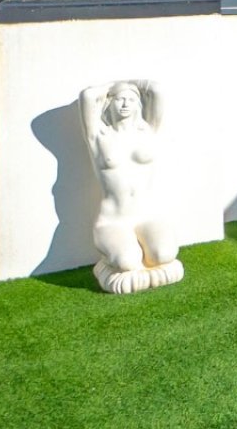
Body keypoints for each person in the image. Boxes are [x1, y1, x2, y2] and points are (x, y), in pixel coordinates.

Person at [78, 80, 184, 293]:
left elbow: (157, 90)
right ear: (110, 102)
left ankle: (139, 272)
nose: (125, 104)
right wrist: (111, 87)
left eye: (131, 100)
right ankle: (113, 267)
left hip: (147, 216)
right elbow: (88, 96)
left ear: (139, 104)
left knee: (164, 255)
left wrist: (136, 85)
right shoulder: (99, 136)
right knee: (127, 261)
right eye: (119, 99)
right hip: (112, 221)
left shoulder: (149, 131)